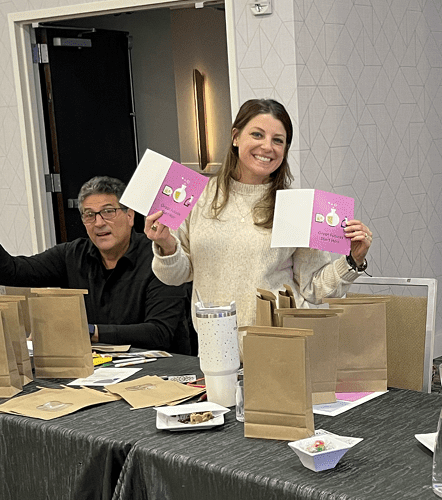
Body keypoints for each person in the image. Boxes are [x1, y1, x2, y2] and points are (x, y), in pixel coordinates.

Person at [144, 98, 372, 330]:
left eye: (278, 140)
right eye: (257, 135)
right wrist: (166, 246)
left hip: (280, 344)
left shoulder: (295, 206)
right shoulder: (198, 195)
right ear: (235, 137)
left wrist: (353, 260)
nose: (267, 147)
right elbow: (176, 276)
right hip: (214, 343)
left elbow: (314, 289)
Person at [0, 176, 191, 353]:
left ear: (130, 216)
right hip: (97, 371)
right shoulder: (72, 254)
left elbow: (160, 333)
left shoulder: (160, 257)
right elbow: (7, 273)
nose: (99, 223)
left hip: (161, 373)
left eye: (108, 212)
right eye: (89, 215)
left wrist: (89, 331)